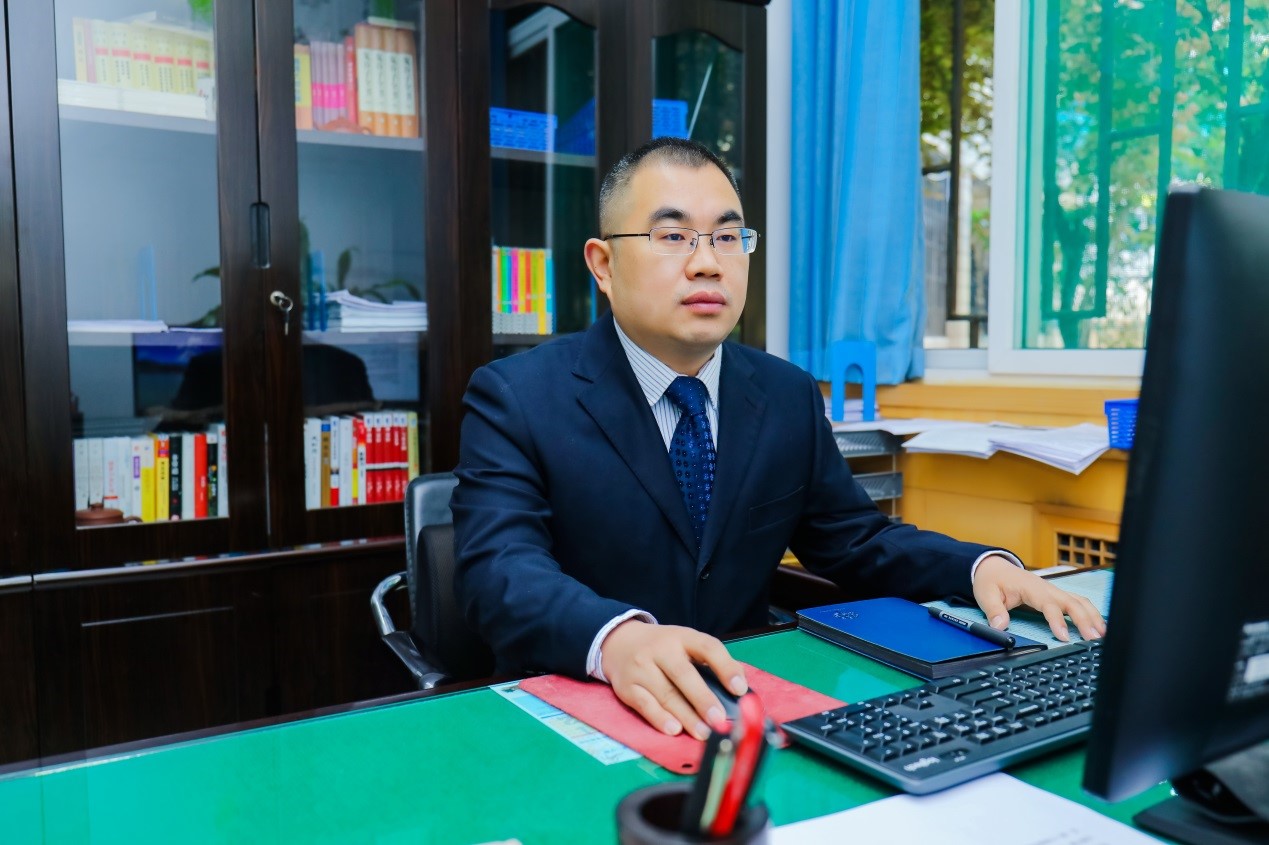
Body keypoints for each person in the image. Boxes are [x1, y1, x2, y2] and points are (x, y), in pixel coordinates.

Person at [452, 137, 1105, 742]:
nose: (706, 263)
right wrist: (615, 639)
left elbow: (855, 540)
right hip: (580, 700)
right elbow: (498, 570)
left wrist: (982, 568)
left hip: (743, 700)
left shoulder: (784, 393)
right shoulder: (517, 395)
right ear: (604, 264)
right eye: (673, 236)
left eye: (727, 237)